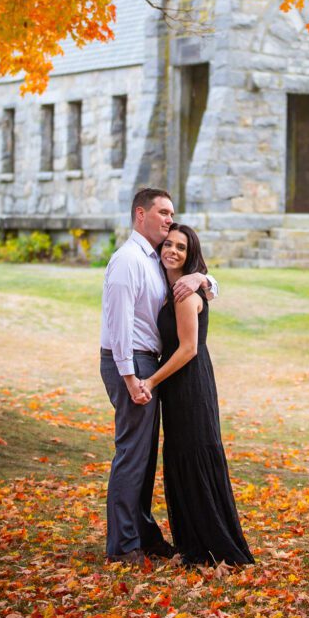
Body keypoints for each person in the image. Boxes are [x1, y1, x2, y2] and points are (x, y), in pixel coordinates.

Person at [100, 188, 217, 564]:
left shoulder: (154, 258)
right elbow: (119, 325)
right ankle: (123, 547)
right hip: (131, 363)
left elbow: (205, 284)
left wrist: (203, 280)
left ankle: (145, 535)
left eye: (171, 214)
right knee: (132, 455)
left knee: (144, 457)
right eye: (163, 212)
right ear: (140, 214)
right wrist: (131, 377)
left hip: (149, 363)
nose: (168, 218)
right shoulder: (127, 261)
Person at [140, 223, 254, 567]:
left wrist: (151, 381)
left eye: (181, 248)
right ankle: (192, 543)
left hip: (189, 382)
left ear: (191, 257)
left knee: (194, 457)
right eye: (169, 244)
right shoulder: (174, 286)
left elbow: (188, 348)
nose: (172, 251)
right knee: (179, 459)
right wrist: (204, 278)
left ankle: (215, 546)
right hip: (178, 384)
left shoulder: (187, 294)